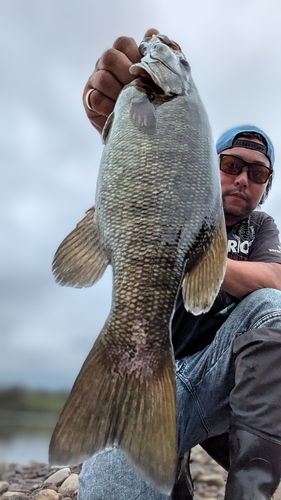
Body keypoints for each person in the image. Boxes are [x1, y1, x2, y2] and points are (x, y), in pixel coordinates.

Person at [77, 29, 281, 500]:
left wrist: (191, 258)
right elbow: (153, 166)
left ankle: (249, 491)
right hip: (158, 370)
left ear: (266, 186)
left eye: (259, 172)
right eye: (231, 164)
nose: (243, 179)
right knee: (112, 492)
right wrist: (124, 125)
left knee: (273, 306)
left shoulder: (263, 229)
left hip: (230, 392)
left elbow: (274, 281)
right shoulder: (185, 190)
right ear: (208, 164)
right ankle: (169, 464)